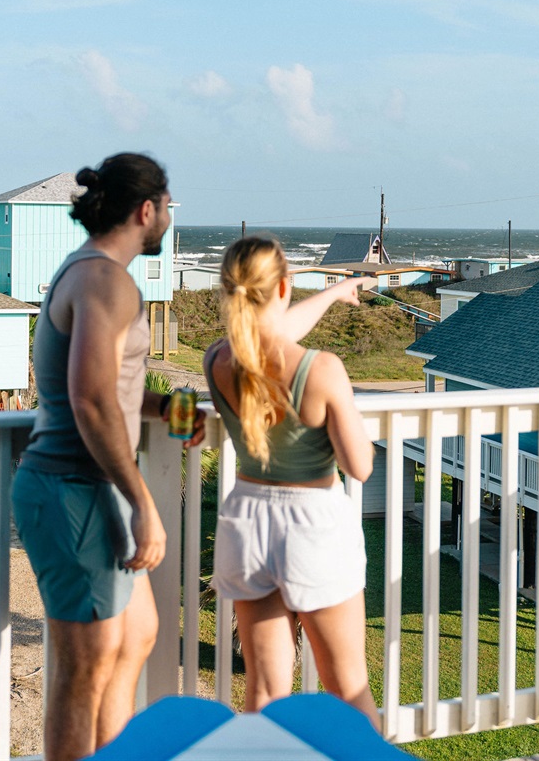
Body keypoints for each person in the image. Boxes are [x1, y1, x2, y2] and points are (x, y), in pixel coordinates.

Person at [11, 152, 204, 761]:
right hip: (73, 489)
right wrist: (144, 502)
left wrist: (170, 409)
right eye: (168, 207)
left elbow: (112, 386)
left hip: (89, 491)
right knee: (83, 673)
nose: (169, 217)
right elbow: (90, 400)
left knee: (137, 635)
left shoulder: (92, 272)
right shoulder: (104, 281)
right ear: (147, 210)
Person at [203, 234, 379, 726]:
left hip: (246, 523)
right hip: (313, 527)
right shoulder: (322, 369)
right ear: (282, 288)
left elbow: (265, 339)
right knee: (347, 687)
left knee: (263, 693)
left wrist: (330, 295)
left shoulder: (217, 362)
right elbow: (360, 465)